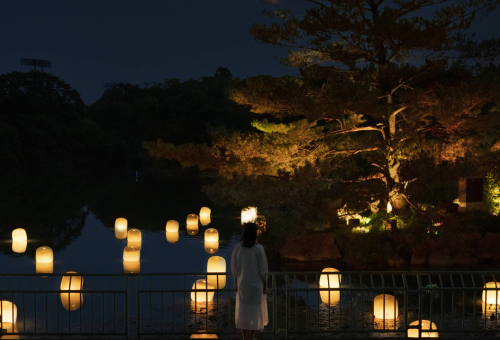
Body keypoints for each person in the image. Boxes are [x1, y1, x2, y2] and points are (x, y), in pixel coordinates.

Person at [231, 222, 269, 340]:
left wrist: (236, 281)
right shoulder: (259, 249)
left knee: (243, 309)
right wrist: (265, 281)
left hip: (243, 283)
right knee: (254, 310)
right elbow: (263, 269)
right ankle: (251, 337)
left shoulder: (238, 248)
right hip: (256, 284)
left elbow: (235, 267)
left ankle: (244, 337)